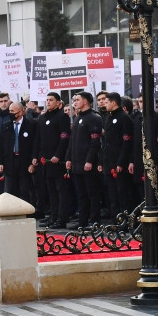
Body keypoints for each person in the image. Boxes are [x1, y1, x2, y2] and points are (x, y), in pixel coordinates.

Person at [66, 90, 103, 228]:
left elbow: (95, 142)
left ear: (86, 101)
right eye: (74, 100)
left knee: (92, 193)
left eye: (77, 100)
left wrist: (89, 160)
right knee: (81, 194)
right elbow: (72, 141)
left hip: (88, 164)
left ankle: (94, 221)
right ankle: (82, 220)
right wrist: (68, 158)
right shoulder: (76, 118)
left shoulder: (94, 117)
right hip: (76, 162)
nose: (75, 102)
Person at [35, 92, 70, 229]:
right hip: (45, 161)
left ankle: (62, 218)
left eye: (51, 100)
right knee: (51, 191)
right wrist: (35, 156)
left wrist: (58, 155)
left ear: (58, 102)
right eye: (47, 100)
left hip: (57, 161)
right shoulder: (42, 118)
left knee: (61, 190)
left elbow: (64, 138)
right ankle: (53, 216)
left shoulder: (63, 117)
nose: (48, 102)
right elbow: (38, 139)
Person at [0, 101, 36, 203]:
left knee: (24, 189)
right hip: (10, 161)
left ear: (21, 112)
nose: (10, 113)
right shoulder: (6, 125)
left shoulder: (31, 125)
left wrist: (32, 162)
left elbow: (35, 145)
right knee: (9, 190)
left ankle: (25, 212)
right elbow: (0, 145)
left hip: (24, 162)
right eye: (9, 111)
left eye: (13, 111)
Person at [101, 92, 134, 217]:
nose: (105, 104)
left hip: (120, 163)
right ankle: (115, 221)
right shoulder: (109, 117)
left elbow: (127, 142)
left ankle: (125, 221)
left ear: (113, 103)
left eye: (107, 102)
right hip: (109, 162)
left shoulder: (124, 118)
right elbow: (106, 143)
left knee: (122, 194)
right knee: (112, 195)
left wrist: (121, 162)